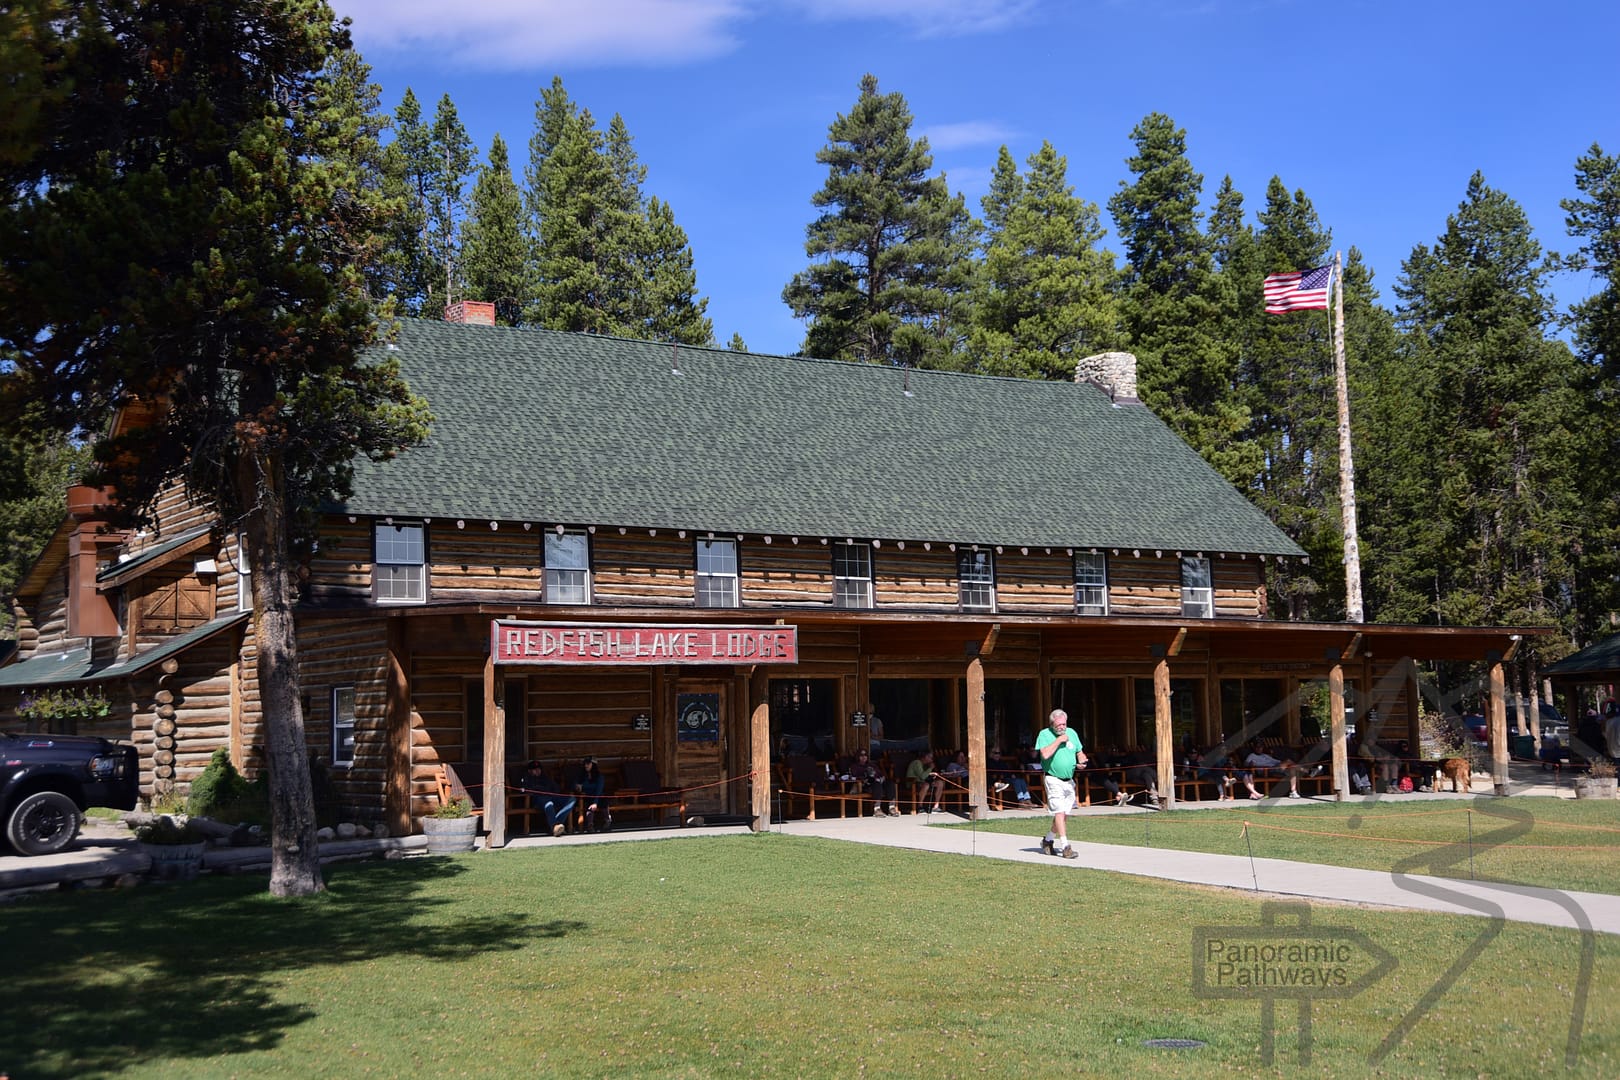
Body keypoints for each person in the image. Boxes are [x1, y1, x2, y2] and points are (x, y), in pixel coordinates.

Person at [1035, 709, 1087, 858]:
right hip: (1053, 779)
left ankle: (1048, 840)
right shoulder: (1044, 735)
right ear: (1052, 724)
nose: (1062, 728)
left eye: (1064, 724)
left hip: (1069, 781)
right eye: (1058, 725)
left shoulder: (1072, 733)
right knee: (1059, 812)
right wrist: (1058, 740)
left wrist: (1082, 760)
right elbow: (1044, 754)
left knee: (1063, 815)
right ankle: (1066, 847)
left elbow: (1079, 752)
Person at [516, 760, 575, 837]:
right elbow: (523, 790)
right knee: (549, 804)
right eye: (535, 769)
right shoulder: (527, 779)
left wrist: (554, 791)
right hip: (539, 800)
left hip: (552, 797)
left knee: (571, 799)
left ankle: (555, 825)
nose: (537, 770)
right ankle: (555, 826)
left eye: (539, 768)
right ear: (529, 771)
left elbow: (556, 788)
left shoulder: (545, 777)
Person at [851, 748, 900, 817]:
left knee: (890, 784)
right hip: (866, 785)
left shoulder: (872, 765)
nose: (863, 757)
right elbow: (853, 777)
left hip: (878, 782)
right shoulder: (855, 766)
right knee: (877, 785)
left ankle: (891, 807)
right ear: (858, 757)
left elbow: (880, 774)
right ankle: (877, 809)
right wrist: (865, 778)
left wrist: (881, 778)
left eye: (865, 755)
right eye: (861, 755)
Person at [577, 758, 611, 833]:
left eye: (588, 764)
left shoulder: (599, 777)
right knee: (589, 809)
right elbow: (575, 784)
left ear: (593, 765)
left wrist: (595, 802)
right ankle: (590, 826)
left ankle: (607, 821)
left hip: (598, 796)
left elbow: (598, 790)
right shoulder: (582, 775)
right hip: (587, 796)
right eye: (585, 764)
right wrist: (578, 786)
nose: (586, 765)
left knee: (603, 802)